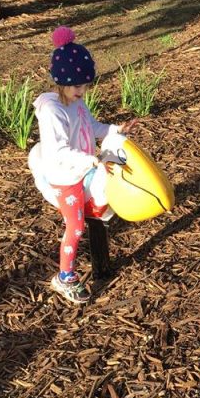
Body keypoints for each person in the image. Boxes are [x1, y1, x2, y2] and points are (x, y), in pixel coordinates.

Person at [29, 26, 138, 304]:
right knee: (75, 226)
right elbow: (59, 150)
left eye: (86, 85)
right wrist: (89, 158)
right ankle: (65, 276)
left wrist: (116, 129)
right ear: (61, 82)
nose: (83, 90)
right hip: (66, 175)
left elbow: (91, 126)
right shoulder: (53, 112)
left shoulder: (77, 103)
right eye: (77, 85)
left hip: (85, 166)